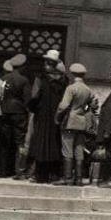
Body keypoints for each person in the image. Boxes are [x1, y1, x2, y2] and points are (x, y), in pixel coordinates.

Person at [54, 63, 97, 186]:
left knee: (67, 150)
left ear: (73, 74)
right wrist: (84, 109)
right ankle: (78, 178)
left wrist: (57, 117)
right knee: (79, 149)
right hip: (82, 122)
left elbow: (63, 106)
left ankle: (67, 178)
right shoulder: (88, 90)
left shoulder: (71, 88)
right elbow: (93, 105)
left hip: (70, 122)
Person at [27, 52, 67, 183]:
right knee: (55, 143)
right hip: (57, 117)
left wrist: (32, 108)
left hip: (43, 115)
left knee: (41, 143)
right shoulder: (64, 80)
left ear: (51, 65)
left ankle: (41, 175)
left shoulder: (41, 78)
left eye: (47, 63)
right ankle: (54, 174)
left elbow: (34, 97)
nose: (45, 65)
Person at [0, 53, 31, 178]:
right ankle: (19, 171)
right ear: (22, 66)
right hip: (19, 112)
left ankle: (3, 170)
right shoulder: (24, 80)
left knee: (5, 141)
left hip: (5, 111)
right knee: (20, 141)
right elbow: (28, 99)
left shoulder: (3, 78)